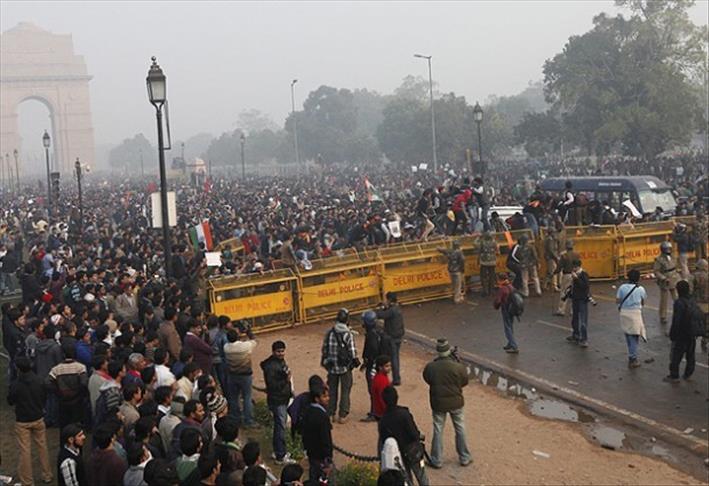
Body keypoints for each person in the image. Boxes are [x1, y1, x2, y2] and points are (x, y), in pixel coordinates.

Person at [422, 338, 472, 469]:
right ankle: (464, 457)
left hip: (438, 402)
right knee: (460, 428)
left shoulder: (431, 367)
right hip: (456, 402)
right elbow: (464, 381)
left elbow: (427, 378)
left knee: (438, 429)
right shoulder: (458, 367)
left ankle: (436, 459)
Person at [7, 356, 53, 485]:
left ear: (18, 369)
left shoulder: (16, 384)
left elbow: (10, 401)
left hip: (23, 420)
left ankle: (27, 481)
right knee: (42, 447)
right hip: (38, 417)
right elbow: (44, 396)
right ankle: (47, 475)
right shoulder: (39, 380)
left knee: (25, 451)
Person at [378, 386, 429, 486]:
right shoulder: (404, 413)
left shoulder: (383, 421)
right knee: (421, 475)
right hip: (412, 450)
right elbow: (414, 433)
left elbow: (385, 441)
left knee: (406, 477)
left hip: (399, 453)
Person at [321, 308, 359, 423]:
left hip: (332, 367)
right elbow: (352, 352)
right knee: (345, 391)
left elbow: (324, 349)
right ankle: (342, 415)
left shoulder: (330, 332)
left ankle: (330, 413)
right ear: (347, 320)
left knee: (332, 391)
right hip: (345, 367)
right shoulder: (348, 334)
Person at [260, 340, 295, 465]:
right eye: (278, 351)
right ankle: (281, 455)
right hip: (278, 400)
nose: (281, 353)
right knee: (280, 427)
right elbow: (273, 385)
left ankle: (278, 451)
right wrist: (286, 380)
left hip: (281, 398)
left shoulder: (279, 362)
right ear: (273, 352)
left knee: (278, 426)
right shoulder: (271, 367)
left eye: (282, 351)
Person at [47, 342, 89, 429]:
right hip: (77, 401)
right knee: (76, 425)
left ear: (62, 354)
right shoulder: (81, 367)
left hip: (63, 400)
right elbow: (84, 383)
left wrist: (58, 392)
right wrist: (79, 394)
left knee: (64, 425)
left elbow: (47, 383)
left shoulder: (56, 369)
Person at [223, 325, 257, 427]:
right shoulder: (245, 346)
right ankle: (248, 420)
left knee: (234, 398)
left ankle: (235, 418)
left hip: (232, 375)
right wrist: (248, 331)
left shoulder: (226, 347)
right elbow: (255, 340)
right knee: (247, 397)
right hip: (245, 375)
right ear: (238, 336)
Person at [301, 384, 334, 485]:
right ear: (316, 399)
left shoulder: (308, 410)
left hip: (311, 453)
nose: (327, 398)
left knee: (313, 479)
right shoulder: (322, 416)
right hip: (321, 456)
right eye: (324, 396)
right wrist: (328, 458)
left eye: (328, 396)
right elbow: (326, 439)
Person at [665, 281, 696, 383]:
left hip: (681, 333)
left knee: (676, 355)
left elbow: (676, 321)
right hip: (692, 332)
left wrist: (672, 334)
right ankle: (688, 374)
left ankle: (674, 376)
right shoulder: (692, 300)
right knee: (690, 355)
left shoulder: (679, 303)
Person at [616, 269, 648, 368]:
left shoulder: (622, 287)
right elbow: (643, 302)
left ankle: (631, 354)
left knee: (628, 335)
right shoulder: (641, 289)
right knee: (634, 336)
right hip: (635, 314)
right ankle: (633, 358)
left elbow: (617, 300)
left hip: (624, 313)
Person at [376, 292, 404, 385]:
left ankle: (396, 379)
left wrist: (380, 308)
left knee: (393, 358)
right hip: (398, 336)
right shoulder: (397, 308)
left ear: (389, 300)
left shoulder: (391, 310)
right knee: (396, 357)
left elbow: (380, 315)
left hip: (392, 337)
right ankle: (396, 378)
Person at [653, 241, 679, 326]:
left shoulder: (673, 256)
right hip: (665, 280)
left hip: (674, 278)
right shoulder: (659, 260)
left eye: (669, 249)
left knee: (676, 298)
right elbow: (656, 271)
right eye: (666, 249)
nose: (668, 250)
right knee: (664, 300)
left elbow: (675, 267)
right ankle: (663, 316)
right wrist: (663, 278)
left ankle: (680, 312)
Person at [553, 240, 580, 317]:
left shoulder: (564, 256)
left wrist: (554, 273)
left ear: (566, 247)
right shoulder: (577, 255)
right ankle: (573, 310)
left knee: (564, 293)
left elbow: (559, 267)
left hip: (566, 275)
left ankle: (561, 310)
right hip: (575, 274)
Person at [493, 272, 519, 353]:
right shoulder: (511, 286)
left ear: (500, 280)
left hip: (506, 309)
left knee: (507, 328)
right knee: (510, 326)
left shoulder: (502, 289)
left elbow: (498, 301)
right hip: (512, 309)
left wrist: (496, 306)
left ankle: (514, 346)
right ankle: (510, 344)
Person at [690, 259, 708, 350]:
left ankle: (692, 340)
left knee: (694, 324)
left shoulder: (693, 276)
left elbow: (690, 290)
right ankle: (705, 340)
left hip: (697, 304)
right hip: (707, 305)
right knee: (707, 324)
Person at [371, 355, 392, 420]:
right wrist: (388, 410)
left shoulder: (380, 376)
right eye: (387, 366)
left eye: (390, 366)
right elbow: (382, 397)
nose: (389, 368)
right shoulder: (381, 380)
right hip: (382, 412)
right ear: (380, 367)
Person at [477, 231, 498, 297]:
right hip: (492, 261)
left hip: (484, 261)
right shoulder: (494, 242)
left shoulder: (482, 242)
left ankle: (485, 291)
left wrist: (478, 260)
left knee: (483, 277)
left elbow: (479, 251)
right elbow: (497, 250)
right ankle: (491, 291)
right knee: (492, 276)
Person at [544, 227, 561, 292]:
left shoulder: (551, 238)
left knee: (549, 272)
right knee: (554, 272)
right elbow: (551, 250)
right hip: (551, 257)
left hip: (551, 257)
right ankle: (554, 286)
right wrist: (556, 257)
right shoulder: (550, 239)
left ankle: (544, 285)